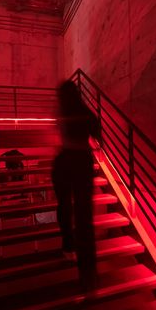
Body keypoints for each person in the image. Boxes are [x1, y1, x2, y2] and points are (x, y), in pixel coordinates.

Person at [52, 80, 99, 295]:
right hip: (83, 161)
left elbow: (60, 130)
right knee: (84, 217)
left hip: (65, 160)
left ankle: (67, 244)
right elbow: (97, 135)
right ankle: (88, 274)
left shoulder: (61, 110)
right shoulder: (85, 112)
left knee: (63, 205)